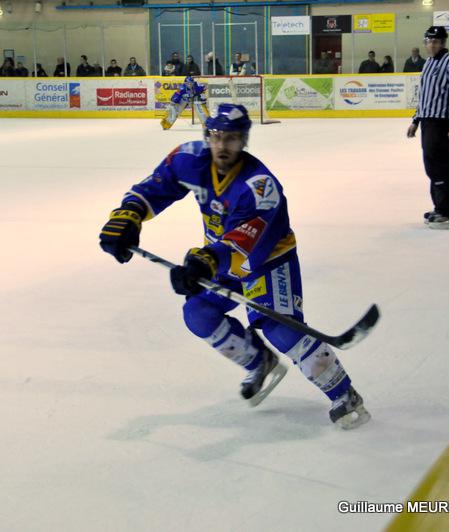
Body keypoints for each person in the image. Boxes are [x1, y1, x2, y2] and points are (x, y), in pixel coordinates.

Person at [98, 103, 370, 429]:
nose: (222, 145)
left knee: (280, 329)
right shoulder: (188, 158)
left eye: (231, 138)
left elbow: (245, 240)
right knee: (198, 313)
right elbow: (156, 186)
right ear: (207, 136)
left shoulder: (260, 185)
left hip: (267, 261)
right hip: (218, 261)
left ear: (244, 140)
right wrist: (128, 215)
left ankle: (344, 395)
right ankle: (261, 362)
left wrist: (205, 261)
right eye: (215, 136)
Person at [406, 26, 449, 230]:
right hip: (427, 121)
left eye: (436, 41)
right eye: (429, 41)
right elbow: (424, 96)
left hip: (441, 123)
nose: (432, 45)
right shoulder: (428, 63)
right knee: (431, 166)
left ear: (443, 43)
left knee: (440, 165)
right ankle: (439, 207)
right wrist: (416, 120)